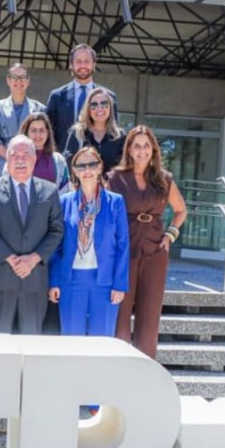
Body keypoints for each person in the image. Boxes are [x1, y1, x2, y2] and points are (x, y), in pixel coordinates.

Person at [107, 125, 188, 358]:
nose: (142, 151)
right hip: (124, 251)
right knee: (120, 314)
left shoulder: (164, 179)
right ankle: (119, 366)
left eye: (146, 146)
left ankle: (146, 367)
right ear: (129, 150)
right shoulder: (115, 178)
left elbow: (181, 210)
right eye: (137, 146)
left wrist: (170, 235)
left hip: (155, 252)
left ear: (153, 149)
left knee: (150, 314)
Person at [0, 134, 63, 334]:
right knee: (1, 342)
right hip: (1, 279)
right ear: (7, 159)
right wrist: (10, 258)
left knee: (30, 343)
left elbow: (56, 230)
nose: (20, 160)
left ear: (34, 159)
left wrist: (34, 258)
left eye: (26, 155)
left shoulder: (49, 191)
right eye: (15, 155)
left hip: (35, 281)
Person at [48, 146, 129, 337]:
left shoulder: (115, 202)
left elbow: (123, 246)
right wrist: (54, 281)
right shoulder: (64, 202)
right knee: (72, 339)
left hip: (105, 281)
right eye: (81, 166)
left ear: (100, 167)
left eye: (92, 164)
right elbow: (56, 247)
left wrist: (120, 284)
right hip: (71, 280)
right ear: (74, 171)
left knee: (101, 341)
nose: (87, 170)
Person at [46, 44, 120, 151]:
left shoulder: (109, 97)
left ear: (94, 64)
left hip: (99, 158)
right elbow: (48, 132)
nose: (83, 66)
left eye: (87, 61)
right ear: (71, 65)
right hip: (65, 158)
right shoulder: (57, 97)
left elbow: (113, 131)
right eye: (78, 61)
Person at [0, 63, 46, 180]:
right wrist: (10, 156)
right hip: (0, 165)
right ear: (8, 80)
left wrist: (24, 158)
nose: (19, 81)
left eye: (23, 77)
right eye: (14, 77)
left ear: (28, 81)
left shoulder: (40, 109)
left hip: (30, 166)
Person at [62, 87, 125, 174]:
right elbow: (69, 164)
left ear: (110, 107)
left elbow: (124, 167)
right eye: (94, 105)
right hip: (83, 182)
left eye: (104, 104)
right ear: (88, 109)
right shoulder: (77, 133)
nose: (99, 109)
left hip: (111, 183)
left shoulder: (120, 136)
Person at [19, 112, 69, 192]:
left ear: (48, 133)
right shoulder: (15, 159)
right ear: (26, 132)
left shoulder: (59, 160)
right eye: (33, 130)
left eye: (42, 130)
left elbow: (65, 189)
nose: (38, 135)